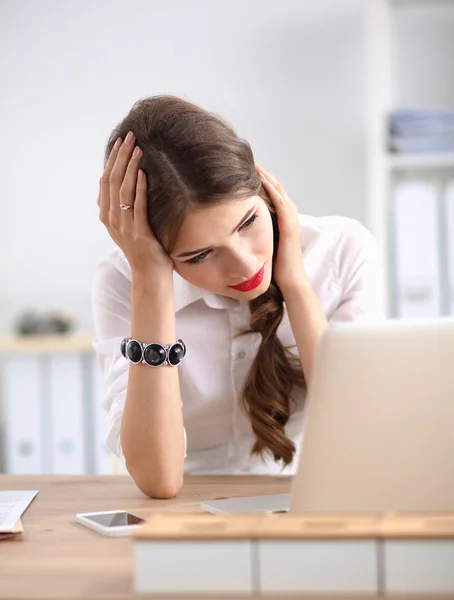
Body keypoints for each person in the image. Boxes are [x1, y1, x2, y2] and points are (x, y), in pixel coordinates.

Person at [92, 95, 383, 499]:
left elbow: (359, 436)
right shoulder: (123, 282)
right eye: (199, 255)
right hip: (180, 510)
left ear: (263, 188)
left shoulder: (341, 251)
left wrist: (296, 284)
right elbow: (159, 479)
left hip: (304, 495)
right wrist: (152, 282)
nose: (245, 267)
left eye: (248, 221)